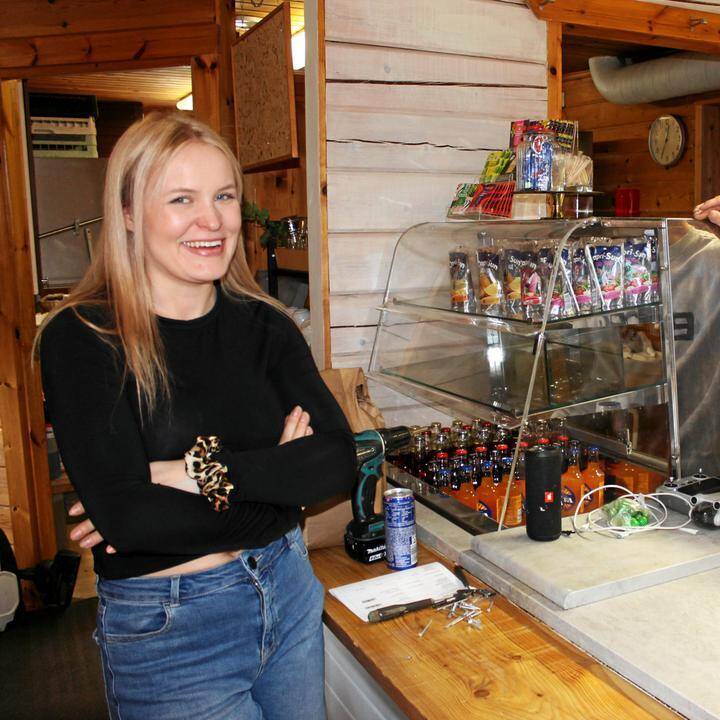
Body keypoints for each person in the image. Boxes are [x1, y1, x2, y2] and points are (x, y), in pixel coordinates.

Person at [37, 112, 356, 720]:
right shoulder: (83, 338)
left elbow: (338, 462)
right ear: (129, 212)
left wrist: (192, 472)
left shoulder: (266, 325)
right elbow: (132, 520)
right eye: (181, 199)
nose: (211, 221)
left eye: (224, 197)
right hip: (172, 629)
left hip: (287, 590)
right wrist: (278, 484)